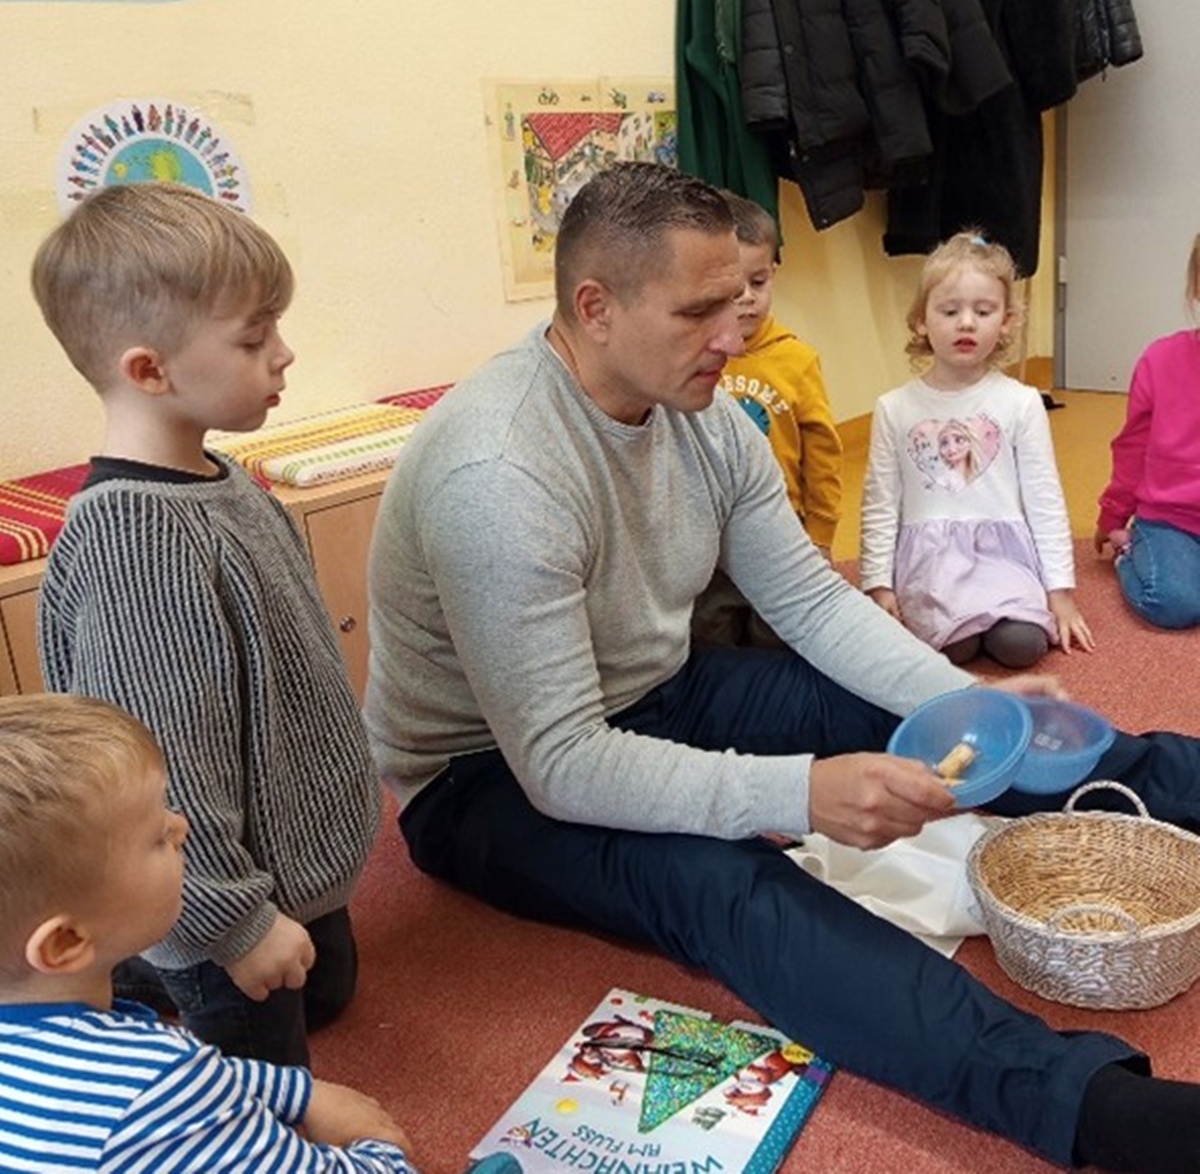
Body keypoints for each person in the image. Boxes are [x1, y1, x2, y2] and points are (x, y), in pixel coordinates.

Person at [365, 162, 1200, 1174]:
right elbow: (562, 763)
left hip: (655, 689)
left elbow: (807, 596)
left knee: (955, 719)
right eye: (699, 310)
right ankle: (1099, 1109)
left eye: (739, 298)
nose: (735, 333)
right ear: (595, 308)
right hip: (485, 776)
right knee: (722, 880)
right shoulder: (498, 473)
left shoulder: (703, 412)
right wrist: (799, 792)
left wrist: (964, 700)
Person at [30, 182, 381, 1068]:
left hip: (286, 863)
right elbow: (166, 761)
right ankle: (140, 963)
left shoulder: (219, 478)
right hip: (208, 895)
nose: (284, 355)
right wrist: (232, 924)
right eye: (254, 339)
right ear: (151, 371)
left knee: (330, 991)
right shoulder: (137, 536)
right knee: (263, 1087)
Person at [0, 692, 415, 1172]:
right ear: (66, 943)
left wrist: (297, 1093)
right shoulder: (157, 1089)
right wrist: (377, 1148)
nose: (181, 826)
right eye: (157, 837)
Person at [860, 231, 1095, 669]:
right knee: (953, 647)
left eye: (983, 311)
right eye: (950, 311)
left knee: (1021, 646)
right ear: (921, 321)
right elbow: (880, 503)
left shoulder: (1022, 403)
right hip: (933, 565)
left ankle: (1004, 615)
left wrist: (1060, 594)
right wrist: (878, 585)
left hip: (1003, 559)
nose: (966, 323)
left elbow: (1045, 500)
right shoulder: (894, 408)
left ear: (1005, 321)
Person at [692, 190, 843, 649]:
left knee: (778, 634)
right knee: (710, 634)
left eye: (758, 283)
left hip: (782, 527)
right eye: (731, 289)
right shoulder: (691, 360)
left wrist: (821, 535)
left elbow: (823, 453)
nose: (746, 299)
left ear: (774, 272)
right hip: (709, 536)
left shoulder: (796, 359)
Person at [1094, 232, 1200, 629]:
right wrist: (1113, 516)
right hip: (1172, 521)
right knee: (1173, 602)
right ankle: (1130, 554)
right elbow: (1132, 450)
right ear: (1196, 287)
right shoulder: (1161, 359)